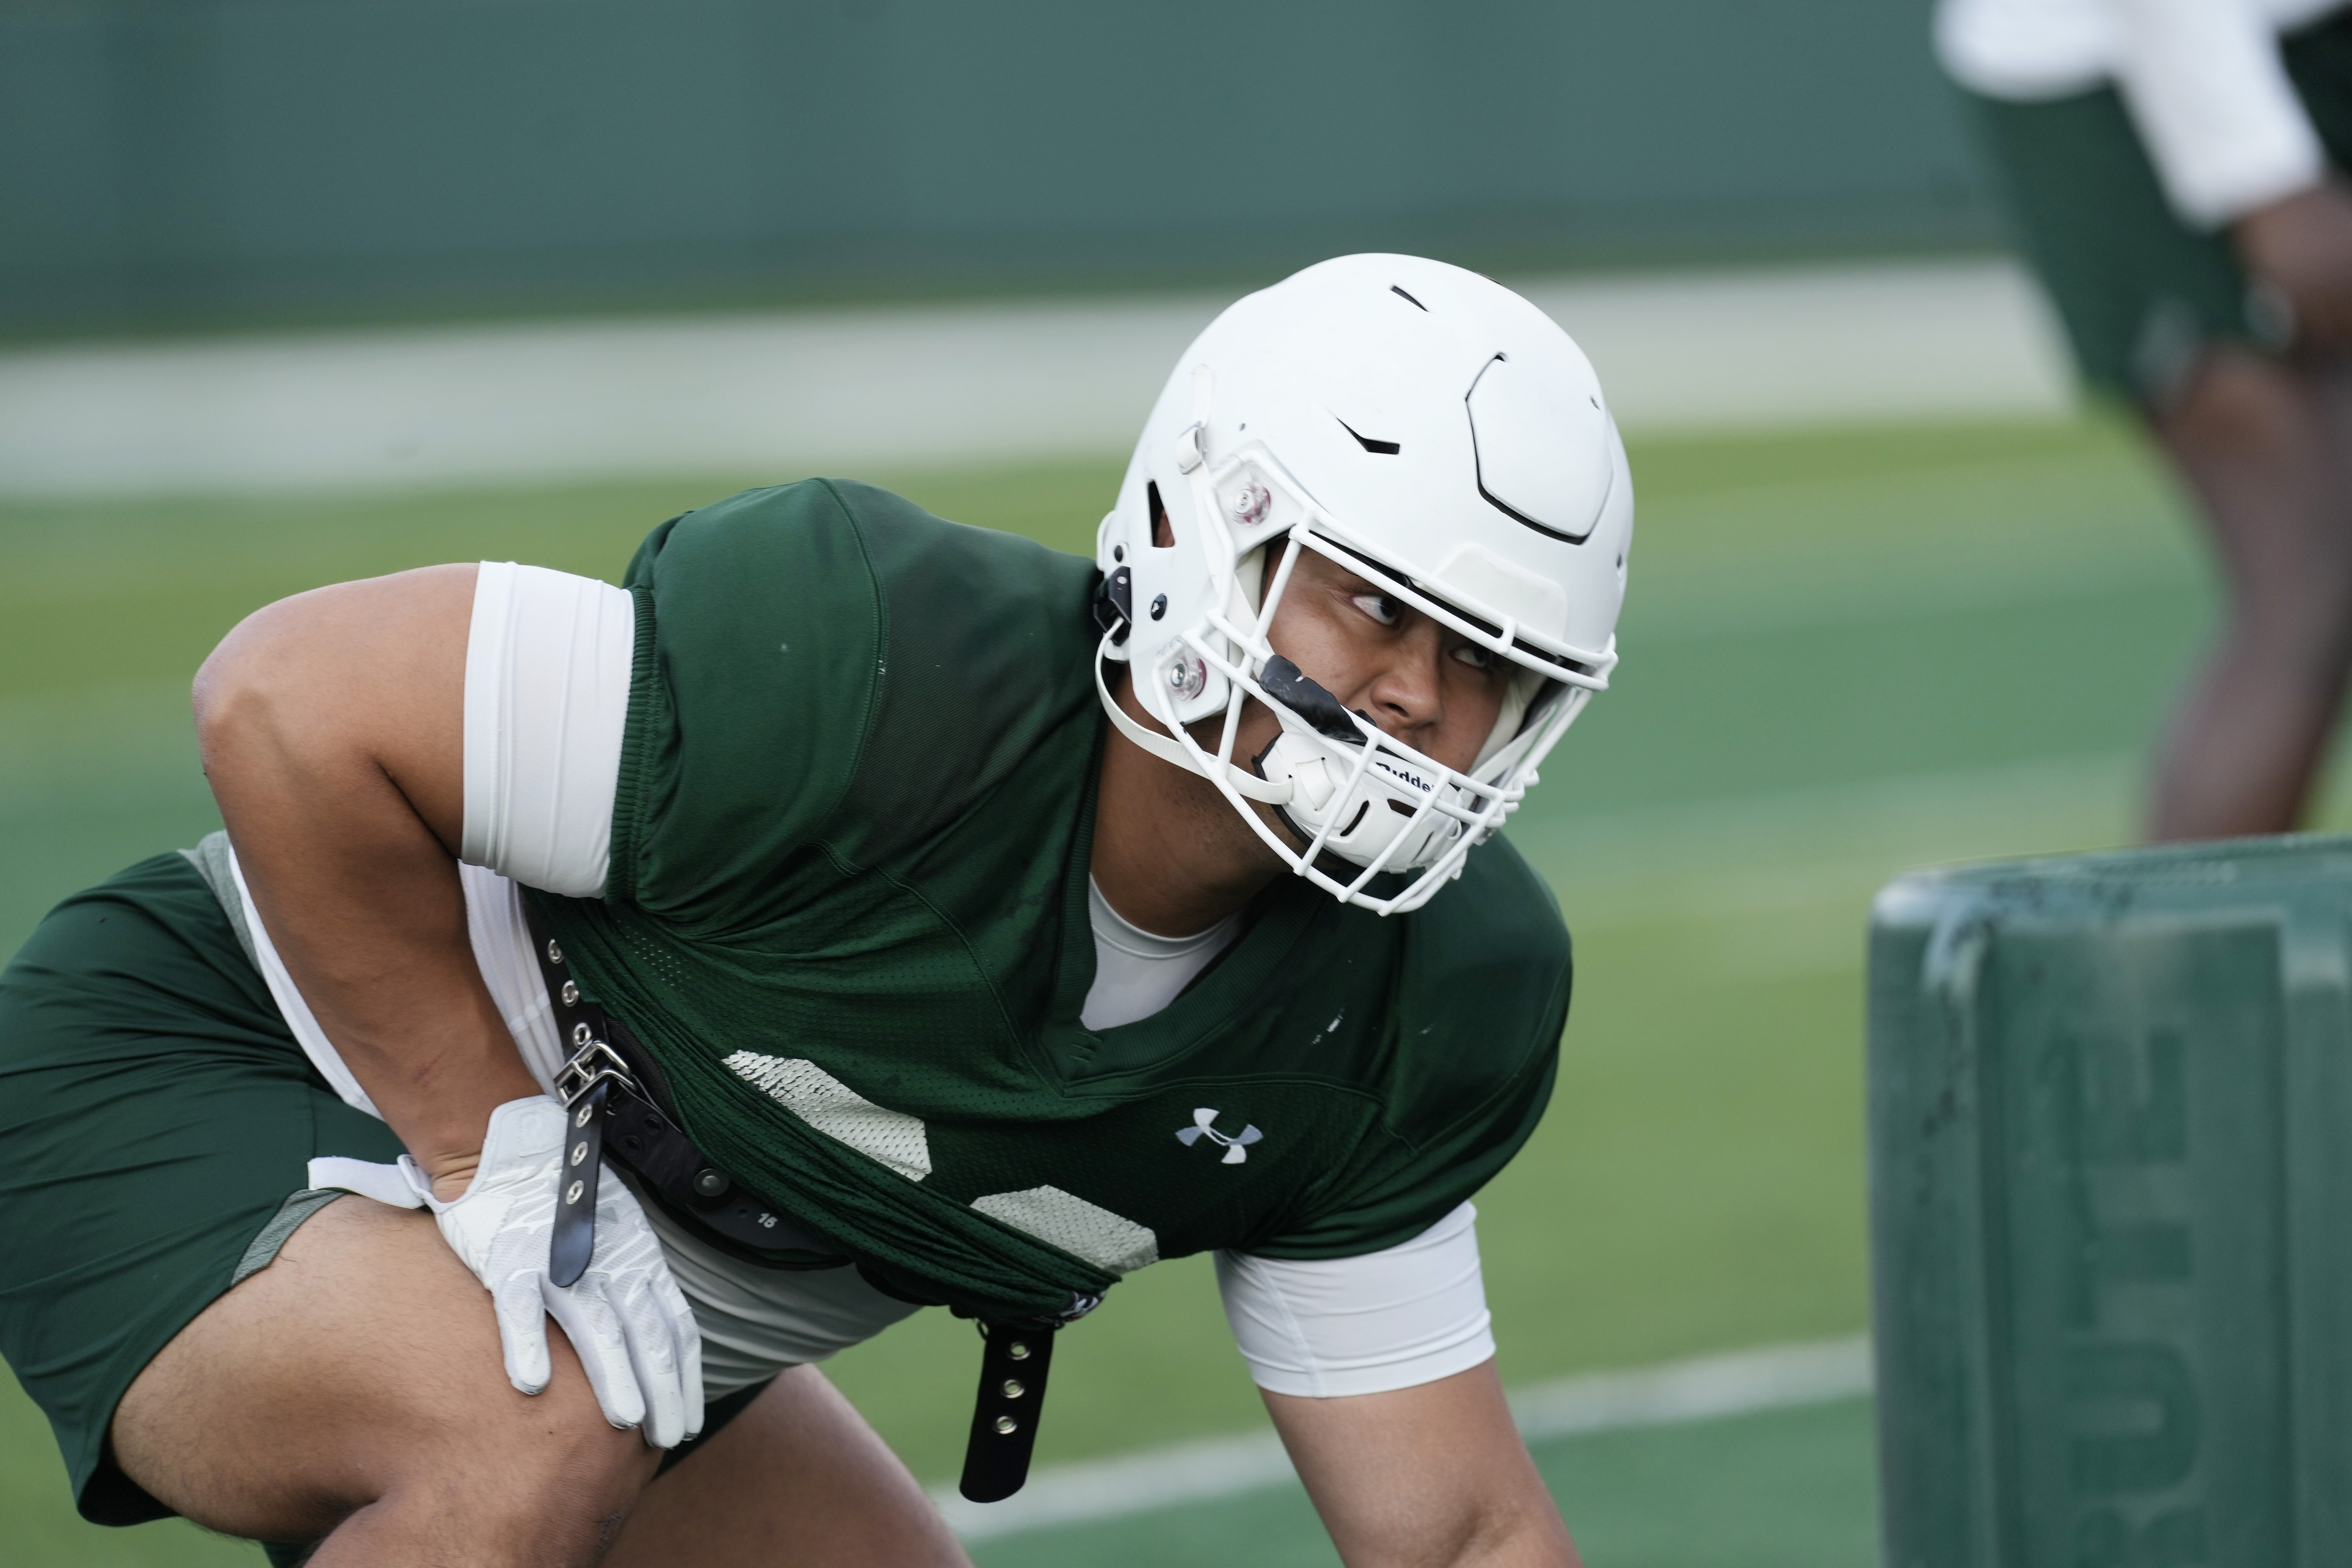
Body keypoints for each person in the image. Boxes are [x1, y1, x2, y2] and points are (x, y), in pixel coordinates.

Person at [0, 253, 1631, 1567]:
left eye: (1490, 661)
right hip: (223, 1061)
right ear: (1214, 529)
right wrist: (483, 1142)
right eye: (1372, 603)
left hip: (602, 1278)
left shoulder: (1422, 1002)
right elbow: (288, 703)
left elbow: (1458, 1532)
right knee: (531, 1431)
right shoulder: (879, 673)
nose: (1420, 696)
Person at [1939, 0, 2352, 841]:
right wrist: (2260, 174)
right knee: (2309, 578)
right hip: (2120, 63)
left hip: (2306, 38)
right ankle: (2181, 970)